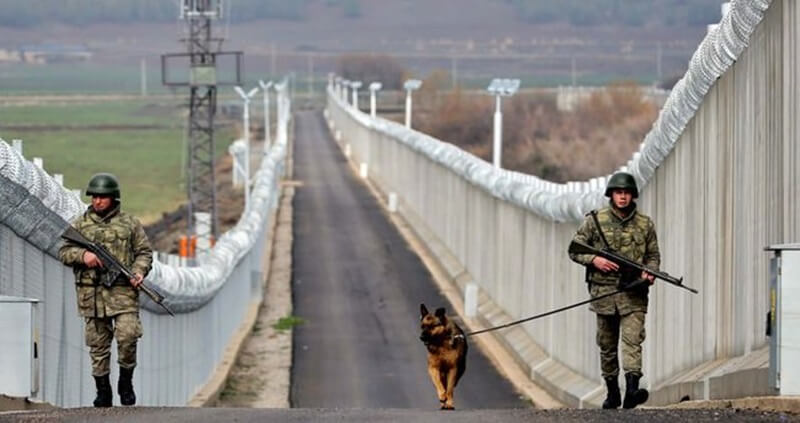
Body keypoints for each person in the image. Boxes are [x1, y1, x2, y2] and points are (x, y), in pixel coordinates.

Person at [58, 173, 153, 407]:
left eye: (103, 197)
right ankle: (103, 391)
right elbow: (64, 251)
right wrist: (83, 255)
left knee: (128, 336)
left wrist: (139, 271)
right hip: (92, 295)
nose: (98, 201)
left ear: (113, 198)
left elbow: (144, 252)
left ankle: (126, 381)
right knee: (98, 345)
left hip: (123, 293)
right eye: (95, 197)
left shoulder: (130, 224)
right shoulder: (80, 224)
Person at [568, 172, 660, 409]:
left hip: (633, 294)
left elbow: (652, 255)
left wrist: (650, 272)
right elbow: (574, 250)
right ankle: (612, 392)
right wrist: (594, 260)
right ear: (611, 195)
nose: (622, 197)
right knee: (607, 346)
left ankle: (632, 390)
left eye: (626, 193)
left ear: (633, 196)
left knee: (632, 341)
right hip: (604, 294)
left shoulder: (645, 224)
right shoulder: (595, 221)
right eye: (618, 193)